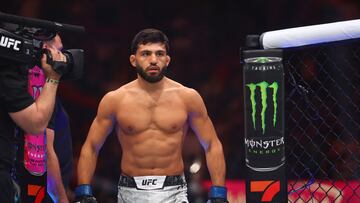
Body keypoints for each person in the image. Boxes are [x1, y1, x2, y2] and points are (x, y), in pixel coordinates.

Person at [75, 28, 228, 203]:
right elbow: (91, 146)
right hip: (130, 191)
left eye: (160, 54)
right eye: (146, 54)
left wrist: (218, 194)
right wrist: (83, 192)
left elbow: (212, 144)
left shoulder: (188, 97)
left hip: (174, 192)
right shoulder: (115, 100)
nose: (153, 60)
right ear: (133, 60)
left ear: (167, 60)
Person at [0, 33, 64, 202]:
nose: (62, 58)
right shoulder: (12, 75)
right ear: (43, 51)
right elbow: (37, 126)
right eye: (58, 52)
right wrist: (53, 78)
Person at [44, 34, 72, 203]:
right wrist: (61, 199)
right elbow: (45, 151)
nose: (64, 58)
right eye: (59, 51)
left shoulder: (46, 89)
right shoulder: (41, 92)